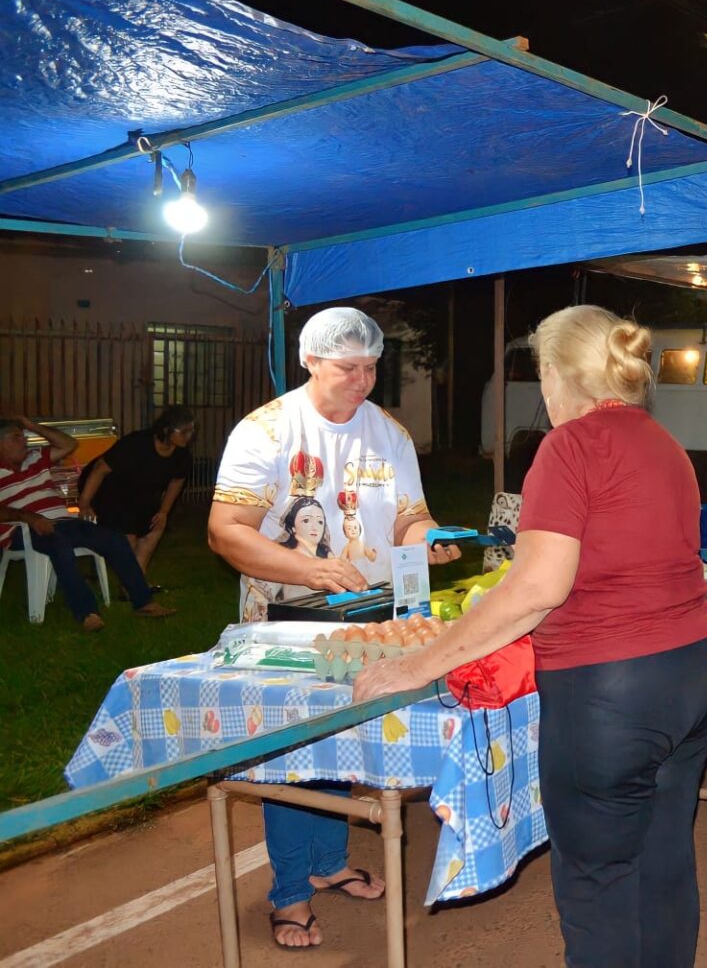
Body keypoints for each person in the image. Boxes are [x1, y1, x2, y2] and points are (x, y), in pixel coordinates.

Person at [355, 305, 707, 968]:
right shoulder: (663, 443)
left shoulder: (570, 445)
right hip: (696, 666)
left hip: (616, 689)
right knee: (663, 860)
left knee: (598, 883)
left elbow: (536, 587)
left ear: (556, 373)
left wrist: (418, 665)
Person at [207, 308, 462, 950]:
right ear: (311, 360)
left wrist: (429, 538)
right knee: (294, 752)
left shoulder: (388, 432)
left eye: (371, 367)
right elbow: (226, 532)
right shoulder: (266, 430)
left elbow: (408, 518)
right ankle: (290, 892)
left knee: (342, 737)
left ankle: (328, 863)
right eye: (349, 368)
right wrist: (309, 568)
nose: (363, 380)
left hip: (366, 616)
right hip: (286, 622)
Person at [0, 415, 175, 631]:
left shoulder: (35, 458)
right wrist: (29, 517)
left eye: (23, 436)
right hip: (24, 530)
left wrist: (31, 425)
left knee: (114, 539)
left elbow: (69, 444)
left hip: (64, 522)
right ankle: (87, 613)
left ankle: (143, 602)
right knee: (59, 544)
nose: (25, 440)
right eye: (16, 437)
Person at [77, 405, 195, 579]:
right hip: (107, 489)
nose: (189, 436)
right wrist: (84, 503)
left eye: (192, 431)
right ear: (166, 429)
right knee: (129, 537)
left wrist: (164, 511)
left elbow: (177, 480)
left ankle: (136, 580)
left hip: (139, 492)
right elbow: (100, 469)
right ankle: (131, 582)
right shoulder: (136, 444)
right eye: (184, 432)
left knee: (154, 526)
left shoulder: (181, 455)